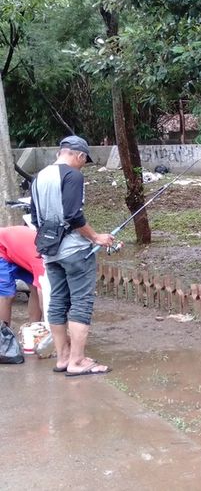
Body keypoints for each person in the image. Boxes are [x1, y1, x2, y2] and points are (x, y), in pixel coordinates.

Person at [30, 135, 114, 376]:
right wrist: (96, 237)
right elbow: (73, 215)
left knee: (56, 301)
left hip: (50, 252)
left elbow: (36, 219)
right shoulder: (72, 175)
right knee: (81, 302)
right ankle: (77, 361)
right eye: (84, 161)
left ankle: (63, 357)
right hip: (75, 251)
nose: (83, 165)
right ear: (78, 155)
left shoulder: (38, 178)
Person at [0, 226, 47, 324]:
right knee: (7, 295)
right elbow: (45, 295)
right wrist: (54, 325)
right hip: (2, 247)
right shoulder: (43, 262)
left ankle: (34, 329)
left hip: (20, 250)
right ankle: (4, 336)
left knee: (35, 288)